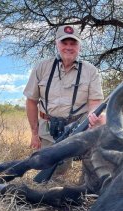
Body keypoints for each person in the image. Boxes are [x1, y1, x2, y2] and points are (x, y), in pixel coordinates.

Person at [23, 25, 105, 177]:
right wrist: (34, 134)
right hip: (48, 130)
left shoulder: (91, 71)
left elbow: (95, 103)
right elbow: (31, 101)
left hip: (77, 129)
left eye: (73, 43)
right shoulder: (42, 67)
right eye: (64, 43)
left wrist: (93, 117)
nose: (68, 47)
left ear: (79, 46)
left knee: (91, 164)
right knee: (48, 172)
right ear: (57, 44)